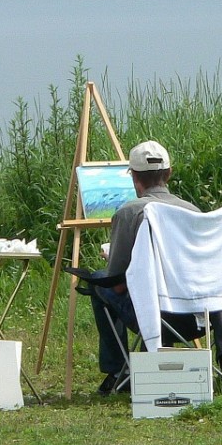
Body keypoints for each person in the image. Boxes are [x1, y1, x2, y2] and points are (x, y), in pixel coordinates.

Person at [89, 141, 202, 395]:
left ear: (134, 178)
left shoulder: (129, 213)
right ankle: (147, 365)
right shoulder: (193, 211)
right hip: (195, 316)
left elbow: (117, 285)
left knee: (98, 281)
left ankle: (118, 370)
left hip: (151, 316)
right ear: (169, 173)